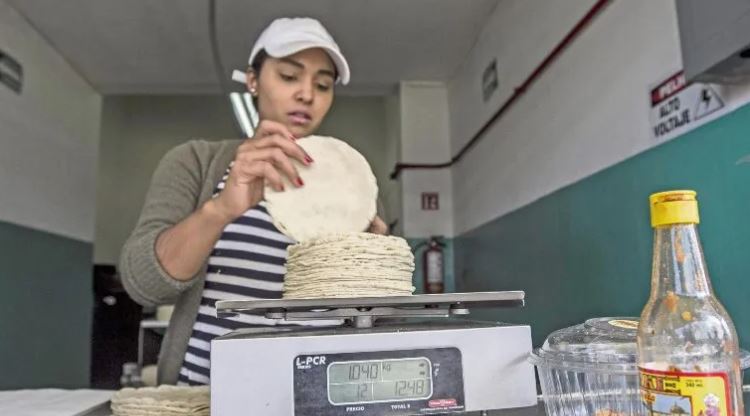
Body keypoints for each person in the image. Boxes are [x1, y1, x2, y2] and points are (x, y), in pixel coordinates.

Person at [120, 17, 387, 386]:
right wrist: (219, 210)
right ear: (252, 80)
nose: (307, 94)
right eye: (290, 76)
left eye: (322, 84)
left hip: (316, 397)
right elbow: (143, 285)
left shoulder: (352, 190)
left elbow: (375, 320)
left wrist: (374, 270)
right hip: (205, 398)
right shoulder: (196, 163)